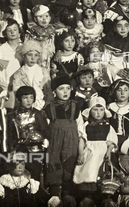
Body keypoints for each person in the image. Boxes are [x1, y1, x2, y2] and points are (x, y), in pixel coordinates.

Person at [45, 75, 83, 207]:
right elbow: (45, 129)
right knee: (54, 165)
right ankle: (54, 195)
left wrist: (81, 150)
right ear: (54, 91)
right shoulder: (49, 108)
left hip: (71, 142)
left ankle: (68, 196)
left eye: (68, 88)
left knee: (69, 165)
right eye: (61, 89)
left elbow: (81, 130)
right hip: (54, 143)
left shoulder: (75, 107)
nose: (65, 92)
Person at [74, 97, 117, 196]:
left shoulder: (108, 126)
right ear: (90, 111)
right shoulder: (86, 125)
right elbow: (82, 139)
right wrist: (80, 154)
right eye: (95, 110)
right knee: (88, 167)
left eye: (101, 110)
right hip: (90, 150)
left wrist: (109, 150)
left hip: (103, 151)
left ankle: (100, 192)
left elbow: (112, 141)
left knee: (101, 170)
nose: (98, 113)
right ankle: (87, 190)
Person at [6, 86, 49, 179]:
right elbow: (9, 135)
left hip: (35, 151)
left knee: (34, 177)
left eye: (31, 97)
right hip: (19, 151)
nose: (29, 101)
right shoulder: (12, 116)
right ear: (18, 99)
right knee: (20, 176)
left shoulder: (38, 114)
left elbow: (45, 132)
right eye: (25, 98)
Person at [9, 40, 52, 111]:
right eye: (30, 55)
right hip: (25, 105)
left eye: (36, 55)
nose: (33, 58)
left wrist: (47, 104)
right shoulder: (19, 73)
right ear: (24, 56)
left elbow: (48, 90)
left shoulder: (43, 71)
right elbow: (16, 91)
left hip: (41, 104)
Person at [24, 5, 56, 72]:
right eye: (40, 17)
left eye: (46, 16)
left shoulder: (51, 31)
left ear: (50, 18)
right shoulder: (31, 32)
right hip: (34, 62)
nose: (44, 19)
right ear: (35, 19)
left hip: (46, 62)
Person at [107, 79, 129, 146]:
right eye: (119, 90)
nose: (122, 93)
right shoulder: (109, 107)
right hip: (112, 140)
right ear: (114, 92)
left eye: (126, 90)